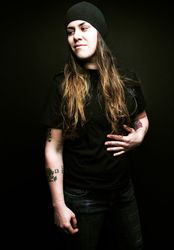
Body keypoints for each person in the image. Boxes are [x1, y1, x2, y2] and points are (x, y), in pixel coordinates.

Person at [42, 1, 149, 250]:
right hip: (83, 196)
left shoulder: (127, 79)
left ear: (99, 32)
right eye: (70, 32)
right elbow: (53, 149)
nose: (76, 36)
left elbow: (141, 118)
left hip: (124, 191)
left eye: (83, 28)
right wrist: (59, 205)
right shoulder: (61, 86)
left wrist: (140, 135)